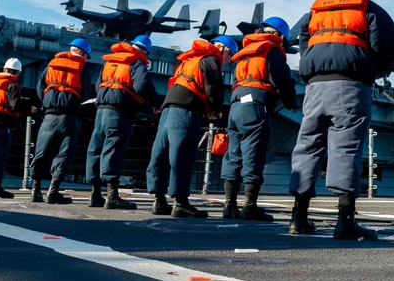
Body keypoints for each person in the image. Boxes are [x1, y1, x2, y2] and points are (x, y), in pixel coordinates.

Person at [289, 0, 394, 239]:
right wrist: (371, 69)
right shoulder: (369, 8)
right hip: (350, 86)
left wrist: (314, 62)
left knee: (307, 146)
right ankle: (345, 221)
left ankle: (298, 218)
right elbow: (389, 45)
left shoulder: (316, 9)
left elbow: (300, 38)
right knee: (346, 148)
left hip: (315, 86)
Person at [146, 35, 237, 218]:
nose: (228, 60)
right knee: (183, 156)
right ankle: (180, 203)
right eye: (228, 54)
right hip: (185, 113)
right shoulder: (210, 59)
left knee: (160, 155)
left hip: (167, 110)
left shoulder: (190, 59)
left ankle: (159, 200)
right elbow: (215, 89)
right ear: (220, 48)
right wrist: (216, 110)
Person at [221, 17, 297, 221]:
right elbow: (281, 78)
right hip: (255, 106)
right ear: (280, 36)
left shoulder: (245, 51)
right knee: (253, 153)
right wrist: (290, 102)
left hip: (235, 106)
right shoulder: (271, 49)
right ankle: (250, 206)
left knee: (234, 155)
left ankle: (229, 205)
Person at [85, 35, 162, 210]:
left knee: (95, 150)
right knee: (113, 150)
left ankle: (95, 194)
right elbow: (143, 86)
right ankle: (112, 195)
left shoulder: (110, 61)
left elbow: (98, 85)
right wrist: (156, 104)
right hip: (119, 113)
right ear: (144, 51)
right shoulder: (136, 63)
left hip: (101, 110)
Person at [29, 38, 93, 204]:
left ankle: (35, 190)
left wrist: (48, 102)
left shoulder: (52, 64)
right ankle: (53, 191)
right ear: (81, 53)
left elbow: (40, 87)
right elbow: (85, 94)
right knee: (65, 153)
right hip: (69, 118)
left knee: (41, 152)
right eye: (86, 55)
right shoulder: (83, 68)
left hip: (49, 116)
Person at [0, 58, 36, 199]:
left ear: (4, 70)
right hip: (2, 128)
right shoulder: (11, 86)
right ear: (17, 74)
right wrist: (30, 108)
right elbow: (15, 104)